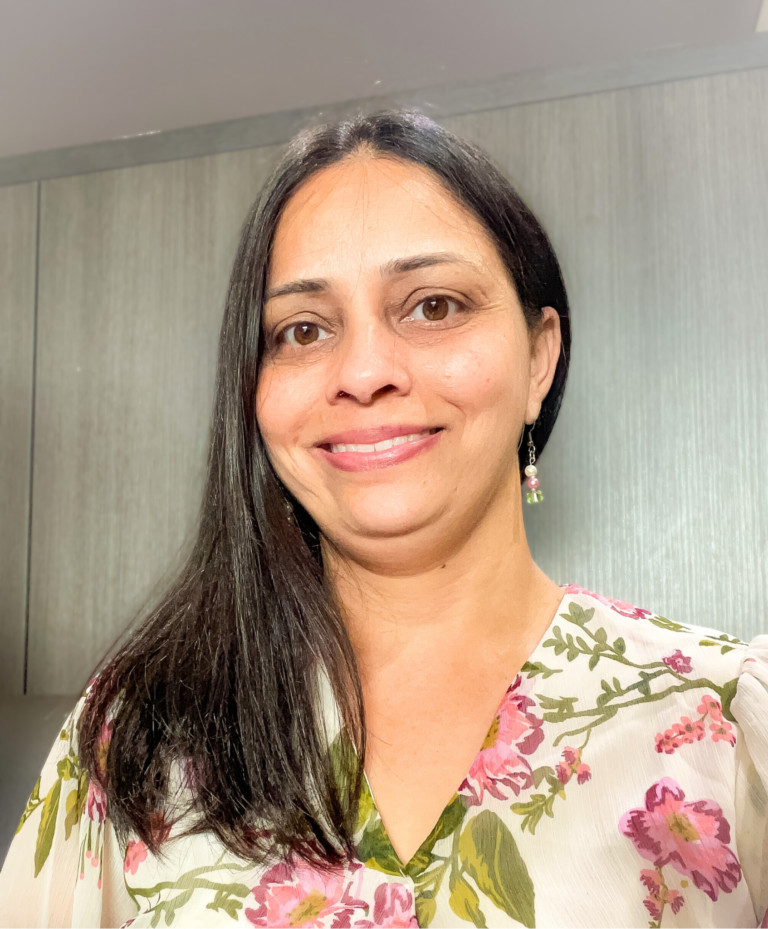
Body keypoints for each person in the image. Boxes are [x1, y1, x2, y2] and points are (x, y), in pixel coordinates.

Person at [0, 109, 765, 929]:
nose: (363, 372)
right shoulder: (136, 734)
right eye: (302, 329)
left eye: (432, 305)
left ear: (540, 358)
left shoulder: (725, 725)